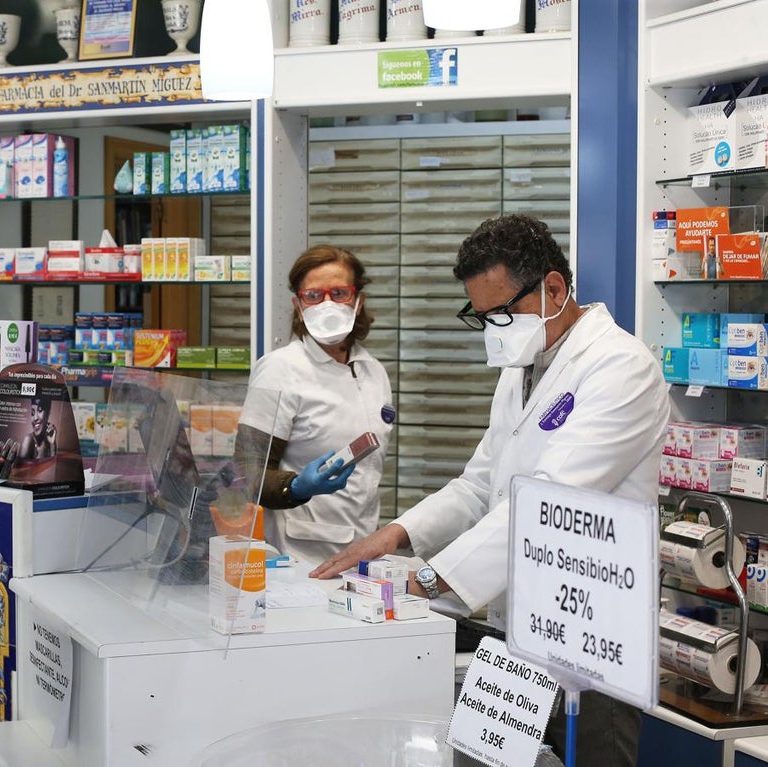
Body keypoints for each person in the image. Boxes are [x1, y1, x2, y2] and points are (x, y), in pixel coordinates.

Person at [311, 214, 670, 767]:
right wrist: (395, 536)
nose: (494, 329)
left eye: (502, 313)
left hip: (589, 641)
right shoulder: (523, 365)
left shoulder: (621, 368)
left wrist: (430, 579)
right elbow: (480, 483)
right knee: (482, 760)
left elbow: (548, 503)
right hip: (513, 630)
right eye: (481, 317)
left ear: (554, 289)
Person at [238, 244, 394, 564]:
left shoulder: (373, 371)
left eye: (339, 293)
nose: (327, 304)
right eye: (313, 296)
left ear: (358, 301)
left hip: (362, 547)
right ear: (298, 306)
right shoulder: (279, 370)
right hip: (298, 554)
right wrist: (296, 486)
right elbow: (245, 473)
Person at [18, 393, 57, 460]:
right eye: (32, 413)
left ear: (48, 413)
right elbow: (21, 466)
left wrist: (52, 445)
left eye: (40, 410)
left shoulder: (50, 440)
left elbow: (53, 465)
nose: (35, 418)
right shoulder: (28, 440)